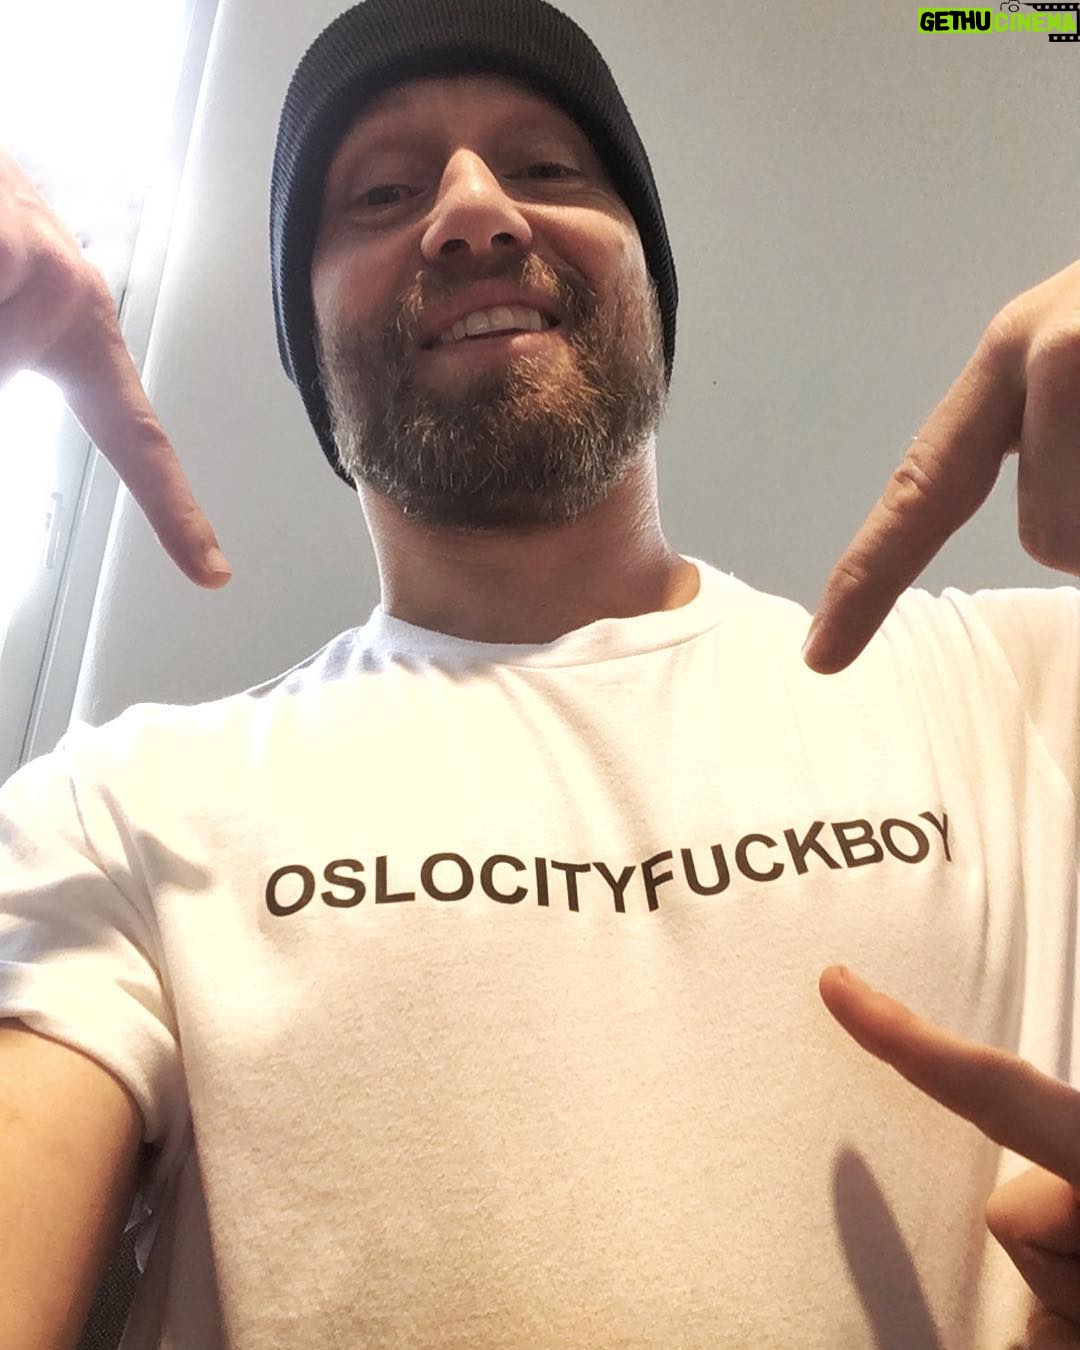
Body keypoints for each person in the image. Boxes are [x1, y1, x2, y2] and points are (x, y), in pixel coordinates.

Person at [1, 0, 1079, 1345]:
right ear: (307, 345)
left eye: (549, 167)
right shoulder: (124, 811)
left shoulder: (1033, 691)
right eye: (381, 192)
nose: (473, 211)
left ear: (650, 287)